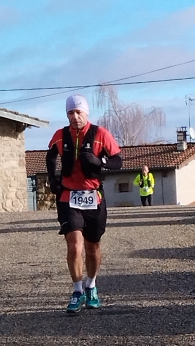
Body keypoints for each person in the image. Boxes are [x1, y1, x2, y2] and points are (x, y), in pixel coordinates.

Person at [46, 94, 122, 313]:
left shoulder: (101, 134)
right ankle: (77, 290)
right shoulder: (60, 135)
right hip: (68, 197)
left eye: (78, 112)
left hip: (93, 196)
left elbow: (118, 160)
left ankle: (91, 285)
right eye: (71, 112)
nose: (75, 116)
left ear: (86, 113)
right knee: (74, 245)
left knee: (92, 247)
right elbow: (50, 157)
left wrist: (100, 162)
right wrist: (53, 180)